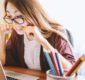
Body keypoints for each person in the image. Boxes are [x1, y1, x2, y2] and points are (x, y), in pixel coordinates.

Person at [0, 0, 75, 72]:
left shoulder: (56, 33)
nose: (14, 24)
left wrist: (42, 41)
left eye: (19, 16)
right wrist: (2, 35)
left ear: (32, 14)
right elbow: (2, 62)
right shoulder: (17, 34)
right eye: (9, 16)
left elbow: (70, 71)